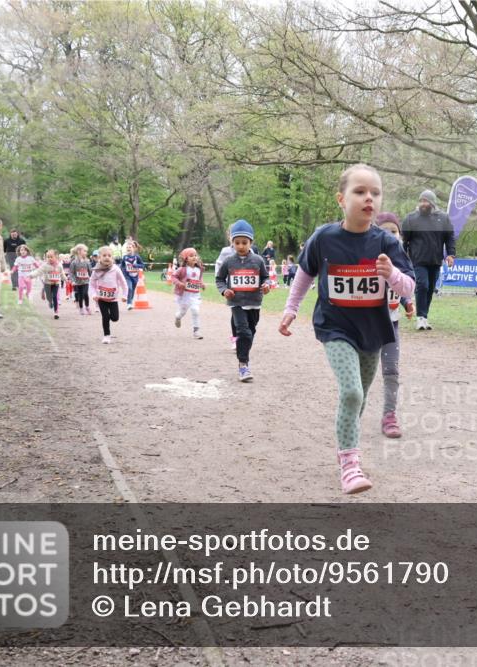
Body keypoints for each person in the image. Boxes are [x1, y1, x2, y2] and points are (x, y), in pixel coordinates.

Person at [279, 164, 415, 494]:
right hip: (335, 327)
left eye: (375, 193)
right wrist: (290, 308)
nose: (369, 198)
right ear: (341, 199)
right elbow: (304, 274)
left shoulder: (386, 242)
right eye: (360, 191)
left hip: (373, 331)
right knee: (352, 392)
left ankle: (346, 443)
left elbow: (410, 287)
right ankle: (350, 464)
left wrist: (391, 275)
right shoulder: (324, 238)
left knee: (360, 397)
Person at [375, 213, 416, 438]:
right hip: (369, 327)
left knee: (391, 370)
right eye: (384, 231)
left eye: (394, 231)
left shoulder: (400, 261)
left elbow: (401, 286)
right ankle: (354, 411)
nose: (390, 235)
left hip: (392, 326)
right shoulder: (371, 260)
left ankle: (389, 415)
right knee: (365, 373)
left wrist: (407, 302)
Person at [215, 220, 270, 381]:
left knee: (250, 333)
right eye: (237, 242)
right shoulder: (229, 261)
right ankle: (243, 365)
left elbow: (265, 277)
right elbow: (219, 279)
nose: (240, 246)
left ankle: (242, 349)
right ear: (232, 243)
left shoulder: (258, 260)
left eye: (244, 242)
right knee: (243, 331)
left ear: (250, 242)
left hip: (254, 303)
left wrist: (266, 285)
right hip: (236, 302)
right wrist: (224, 290)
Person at [401, 190, 456, 331]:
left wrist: (450, 254)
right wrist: (403, 257)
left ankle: (424, 317)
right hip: (418, 259)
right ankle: (420, 318)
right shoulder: (410, 219)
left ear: (432, 203)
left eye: (426, 201)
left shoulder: (443, 218)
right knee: (423, 285)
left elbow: (449, 237)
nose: (423, 204)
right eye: (421, 201)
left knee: (430, 288)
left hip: (435, 260)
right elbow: (405, 241)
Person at [89, 246, 129, 343]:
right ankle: (106, 336)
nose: (107, 257)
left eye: (109, 256)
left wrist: (125, 295)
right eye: (104, 255)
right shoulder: (96, 270)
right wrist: (94, 295)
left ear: (112, 258)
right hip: (101, 299)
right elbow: (91, 284)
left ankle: (109, 327)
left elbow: (124, 283)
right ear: (99, 258)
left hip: (113, 299)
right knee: (105, 317)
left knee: (115, 318)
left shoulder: (116, 269)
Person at [172, 247, 206, 339]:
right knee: (182, 312)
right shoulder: (182, 269)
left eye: (195, 255)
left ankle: (196, 331)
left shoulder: (199, 269)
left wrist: (202, 284)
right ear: (186, 259)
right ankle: (177, 317)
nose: (194, 257)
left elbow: (199, 278)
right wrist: (179, 283)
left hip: (195, 294)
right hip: (184, 295)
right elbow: (173, 277)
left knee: (195, 310)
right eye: (191, 256)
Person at [28, 249, 64, 319]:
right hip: (47, 283)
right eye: (48, 257)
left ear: (56, 257)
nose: (49, 258)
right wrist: (31, 275)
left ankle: (56, 312)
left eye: (51, 257)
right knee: (49, 297)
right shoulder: (45, 265)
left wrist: (66, 279)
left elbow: (62, 274)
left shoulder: (59, 265)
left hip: (55, 283)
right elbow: (38, 271)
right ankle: (50, 302)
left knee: (55, 296)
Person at [120, 243, 146, 310]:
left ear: (133, 249)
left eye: (130, 247)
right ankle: (129, 304)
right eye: (127, 247)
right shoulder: (125, 257)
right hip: (127, 276)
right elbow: (122, 266)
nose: (128, 248)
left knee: (133, 289)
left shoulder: (137, 257)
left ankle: (130, 301)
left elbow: (143, 266)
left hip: (135, 276)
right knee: (129, 288)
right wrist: (123, 271)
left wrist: (136, 265)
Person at [69, 244, 92, 315]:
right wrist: (73, 281)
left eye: (86, 251)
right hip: (78, 282)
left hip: (86, 281)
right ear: (79, 251)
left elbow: (90, 271)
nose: (86, 253)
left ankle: (87, 307)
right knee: (80, 295)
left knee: (85, 293)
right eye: (84, 251)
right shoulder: (74, 263)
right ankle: (81, 308)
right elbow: (72, 273)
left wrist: (92, 278)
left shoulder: (87, 262)